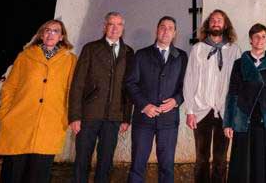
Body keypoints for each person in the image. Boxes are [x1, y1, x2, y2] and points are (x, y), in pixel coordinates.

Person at [0, 19, 77, 183]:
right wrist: (4, 113)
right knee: (13, 173)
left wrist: (66, 116)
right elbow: (10, 87)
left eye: (55, 31)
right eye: (47, 30)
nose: (51, 34)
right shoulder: (25, 56)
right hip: (19, 121)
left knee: (38, 175)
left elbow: (72, 91)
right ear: (41, 34)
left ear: (62, 37)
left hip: (50, 123)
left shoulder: (70, 60)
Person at [69, 11, 135, 183]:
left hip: (114, 117)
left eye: (118, 24)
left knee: (106, 163)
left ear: (123, 28)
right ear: (104, 26)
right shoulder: (90, 49)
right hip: (89, 115)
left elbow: (128, 88)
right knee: (82, 160)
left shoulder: (129, 52)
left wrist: (126, 117)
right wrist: (75, 116)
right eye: (111, 24)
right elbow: (78, 84)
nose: (114, 28)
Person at [223, 23, 266, 183]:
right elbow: (232, 94)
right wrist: (228, 123)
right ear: (250, 40)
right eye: (256, 37)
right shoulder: (240, 64)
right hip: (244, 118)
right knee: (242, 163)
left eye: (263, 37)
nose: (260, 40)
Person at [125, 16, 188, 183]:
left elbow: (186, 86)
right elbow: (130, 83)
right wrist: (144, 105)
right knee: (137, 164)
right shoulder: (141, 54)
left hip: (168, 121)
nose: (166, 30)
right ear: (157, 30)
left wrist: (176, 100)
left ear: (175, 33)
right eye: (162, 27)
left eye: (170, 28)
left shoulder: (181, 57)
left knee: (166, 167)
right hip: (144, 119)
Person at [183, 9, 241, 183]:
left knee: (221, 159)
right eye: (213, 20)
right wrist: (190, 111)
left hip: (225, 111)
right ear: (208, 25)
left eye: (220, 20)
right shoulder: (198, 49)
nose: (216, 23)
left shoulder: (233, 50)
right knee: (201, 158)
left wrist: (234, 113)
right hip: (202, 110)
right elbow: (189, 80)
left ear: (225, 25)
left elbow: (238, 84)